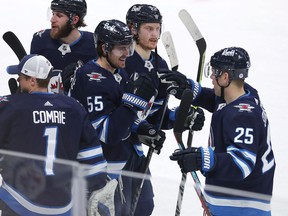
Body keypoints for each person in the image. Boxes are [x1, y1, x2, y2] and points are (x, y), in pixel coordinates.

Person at [0, 54, 116, 216]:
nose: (18, 81)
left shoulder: (8, 106)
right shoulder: (74, 107)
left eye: (20, 77)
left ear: (32, 80)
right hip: (63, 207)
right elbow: (93, 162)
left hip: (19, 204)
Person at [169, 47, 276, 216]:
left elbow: (242, 164)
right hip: (233, 201)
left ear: (225, 77)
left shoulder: (243, 116)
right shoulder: (244, 94)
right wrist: (189, 89)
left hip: (242, 208)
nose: (211, 77)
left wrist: (201, 158)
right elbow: (217, 100)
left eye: (214, 73)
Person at [68, 19, 158, 215]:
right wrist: (132, 101)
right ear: (104, 47)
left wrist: (142, 128)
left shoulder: (118, 73)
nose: (127, 54)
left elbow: (122, 118)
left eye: (129, 47)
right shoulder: (92, 78)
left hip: (122, 162)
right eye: (121, 49)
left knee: (143, 208)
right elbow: (106, 133)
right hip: (100, 171)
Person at [123, 4, 205, 216]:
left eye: (157, 28)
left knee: (143, 207)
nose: (155, 34)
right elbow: (112, 112)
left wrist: (181, 117)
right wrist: (140, 129)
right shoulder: (121, 61)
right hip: (114, 149)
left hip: (135, 152)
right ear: (133, 29)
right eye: (148, 28)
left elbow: (158, 115)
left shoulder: (159, 64)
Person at [30, 0, 97, 93]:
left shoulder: (94, 45)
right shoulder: (40, 40)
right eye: (53, 13)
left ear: (74, 20)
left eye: (59, 15)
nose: (52, 19)